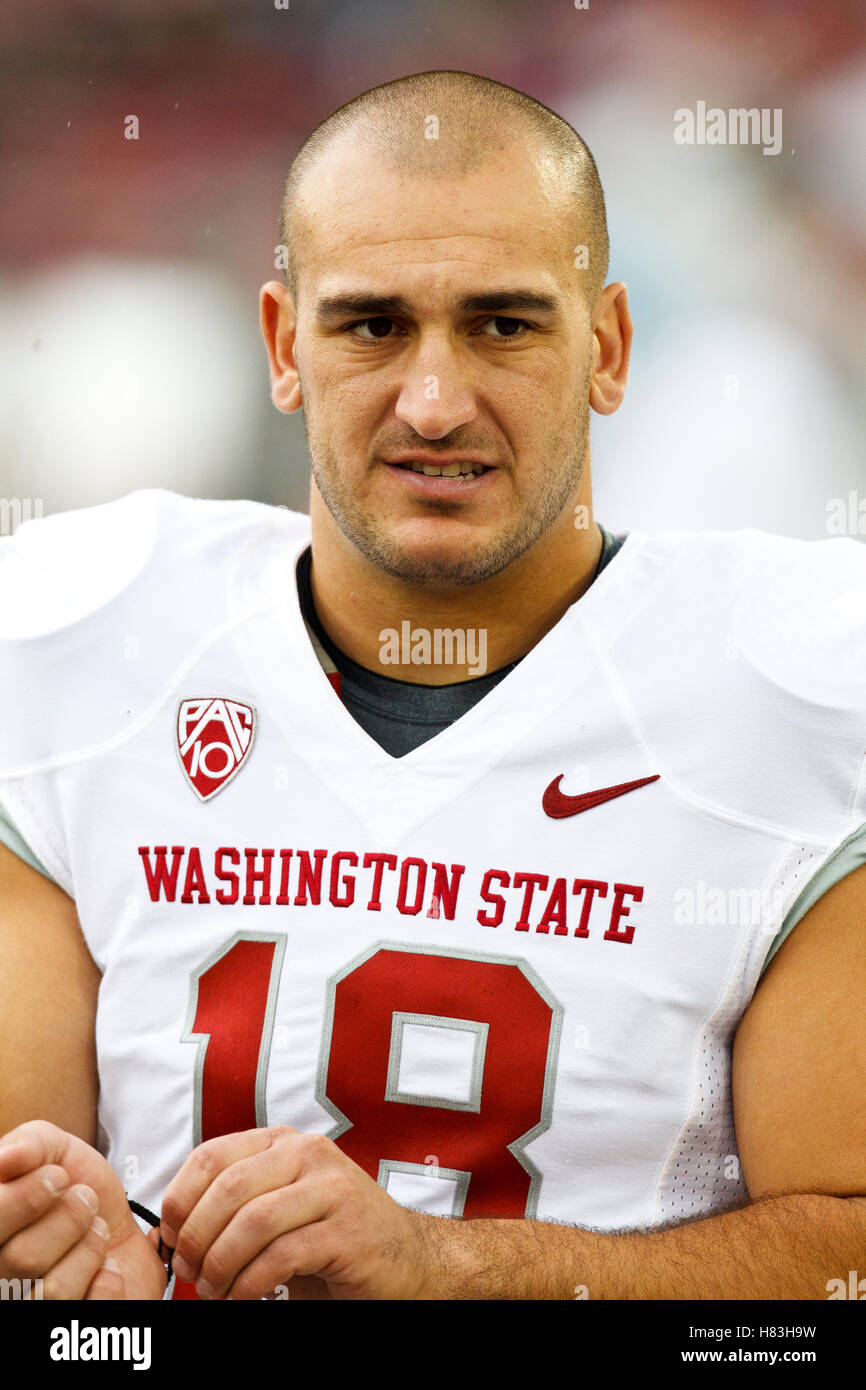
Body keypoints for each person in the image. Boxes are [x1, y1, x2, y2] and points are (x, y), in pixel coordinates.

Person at [0, 69, 864, 1302]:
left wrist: (448, 1270)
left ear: (607, 348)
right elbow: (41, 1208)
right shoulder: (90, 640)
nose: (434, 401)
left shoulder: (790, 690)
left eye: (503, 324)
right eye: (371, 325)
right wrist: (72, 1292)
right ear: (282, 346)